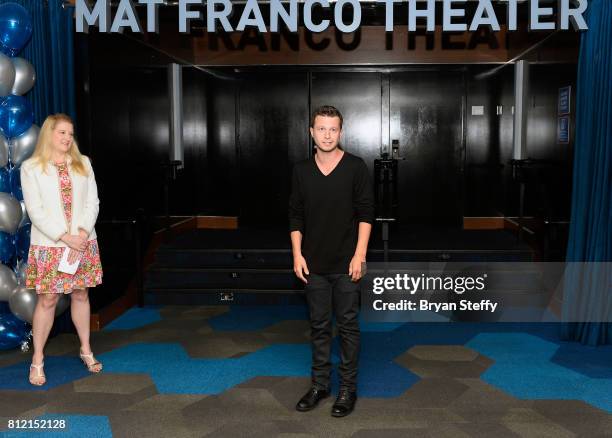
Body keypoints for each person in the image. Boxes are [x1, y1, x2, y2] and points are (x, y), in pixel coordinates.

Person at [289, 105, 374, 417]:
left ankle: (348, 388)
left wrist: (359, 255)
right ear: (312, 133)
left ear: (341, 132)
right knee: (319, 326)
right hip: (313, 265)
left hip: (346, 264)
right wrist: (297, 255)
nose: (327, 134)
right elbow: (295, 215)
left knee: (348, 326)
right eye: (321, 128)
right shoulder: (300, 170)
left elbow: (366, 214)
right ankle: (319, 385)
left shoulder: (355, 167)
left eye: (333, 129)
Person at [21, 113, 103, 386]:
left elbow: (93, 202)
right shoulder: (31, 167)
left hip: (83, 242)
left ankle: (86, 350)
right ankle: (37, 360)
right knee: (47, 301)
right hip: (51, 245)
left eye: (70, 133)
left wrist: (80, 233)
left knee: (81, 294)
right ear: (49, 134)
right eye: (62, 133)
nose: (68, 138)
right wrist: (64, 237)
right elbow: (35, 211)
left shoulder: (84, 164)